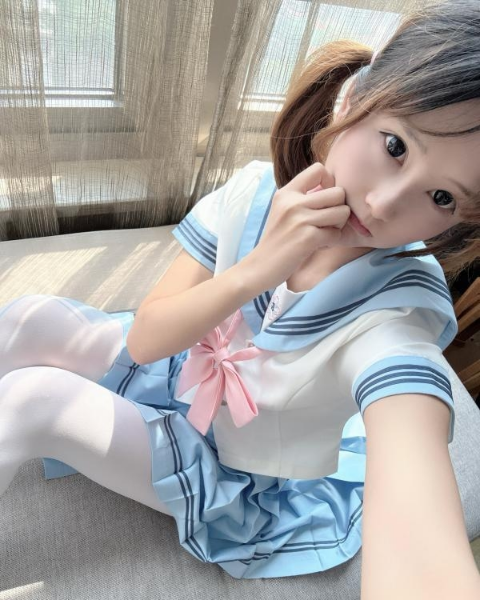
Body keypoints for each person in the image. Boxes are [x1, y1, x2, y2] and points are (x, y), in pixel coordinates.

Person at [1, 0, 480, 596]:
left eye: (441, 198)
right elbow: (146, 341)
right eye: (396, 146)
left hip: (241, 480)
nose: (384, 205)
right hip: (171, 372)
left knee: (34, 399)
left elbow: (409, 409)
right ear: (353, 98)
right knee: (27, 318)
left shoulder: (401, 310)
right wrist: (257, 269)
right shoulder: (254, 190)